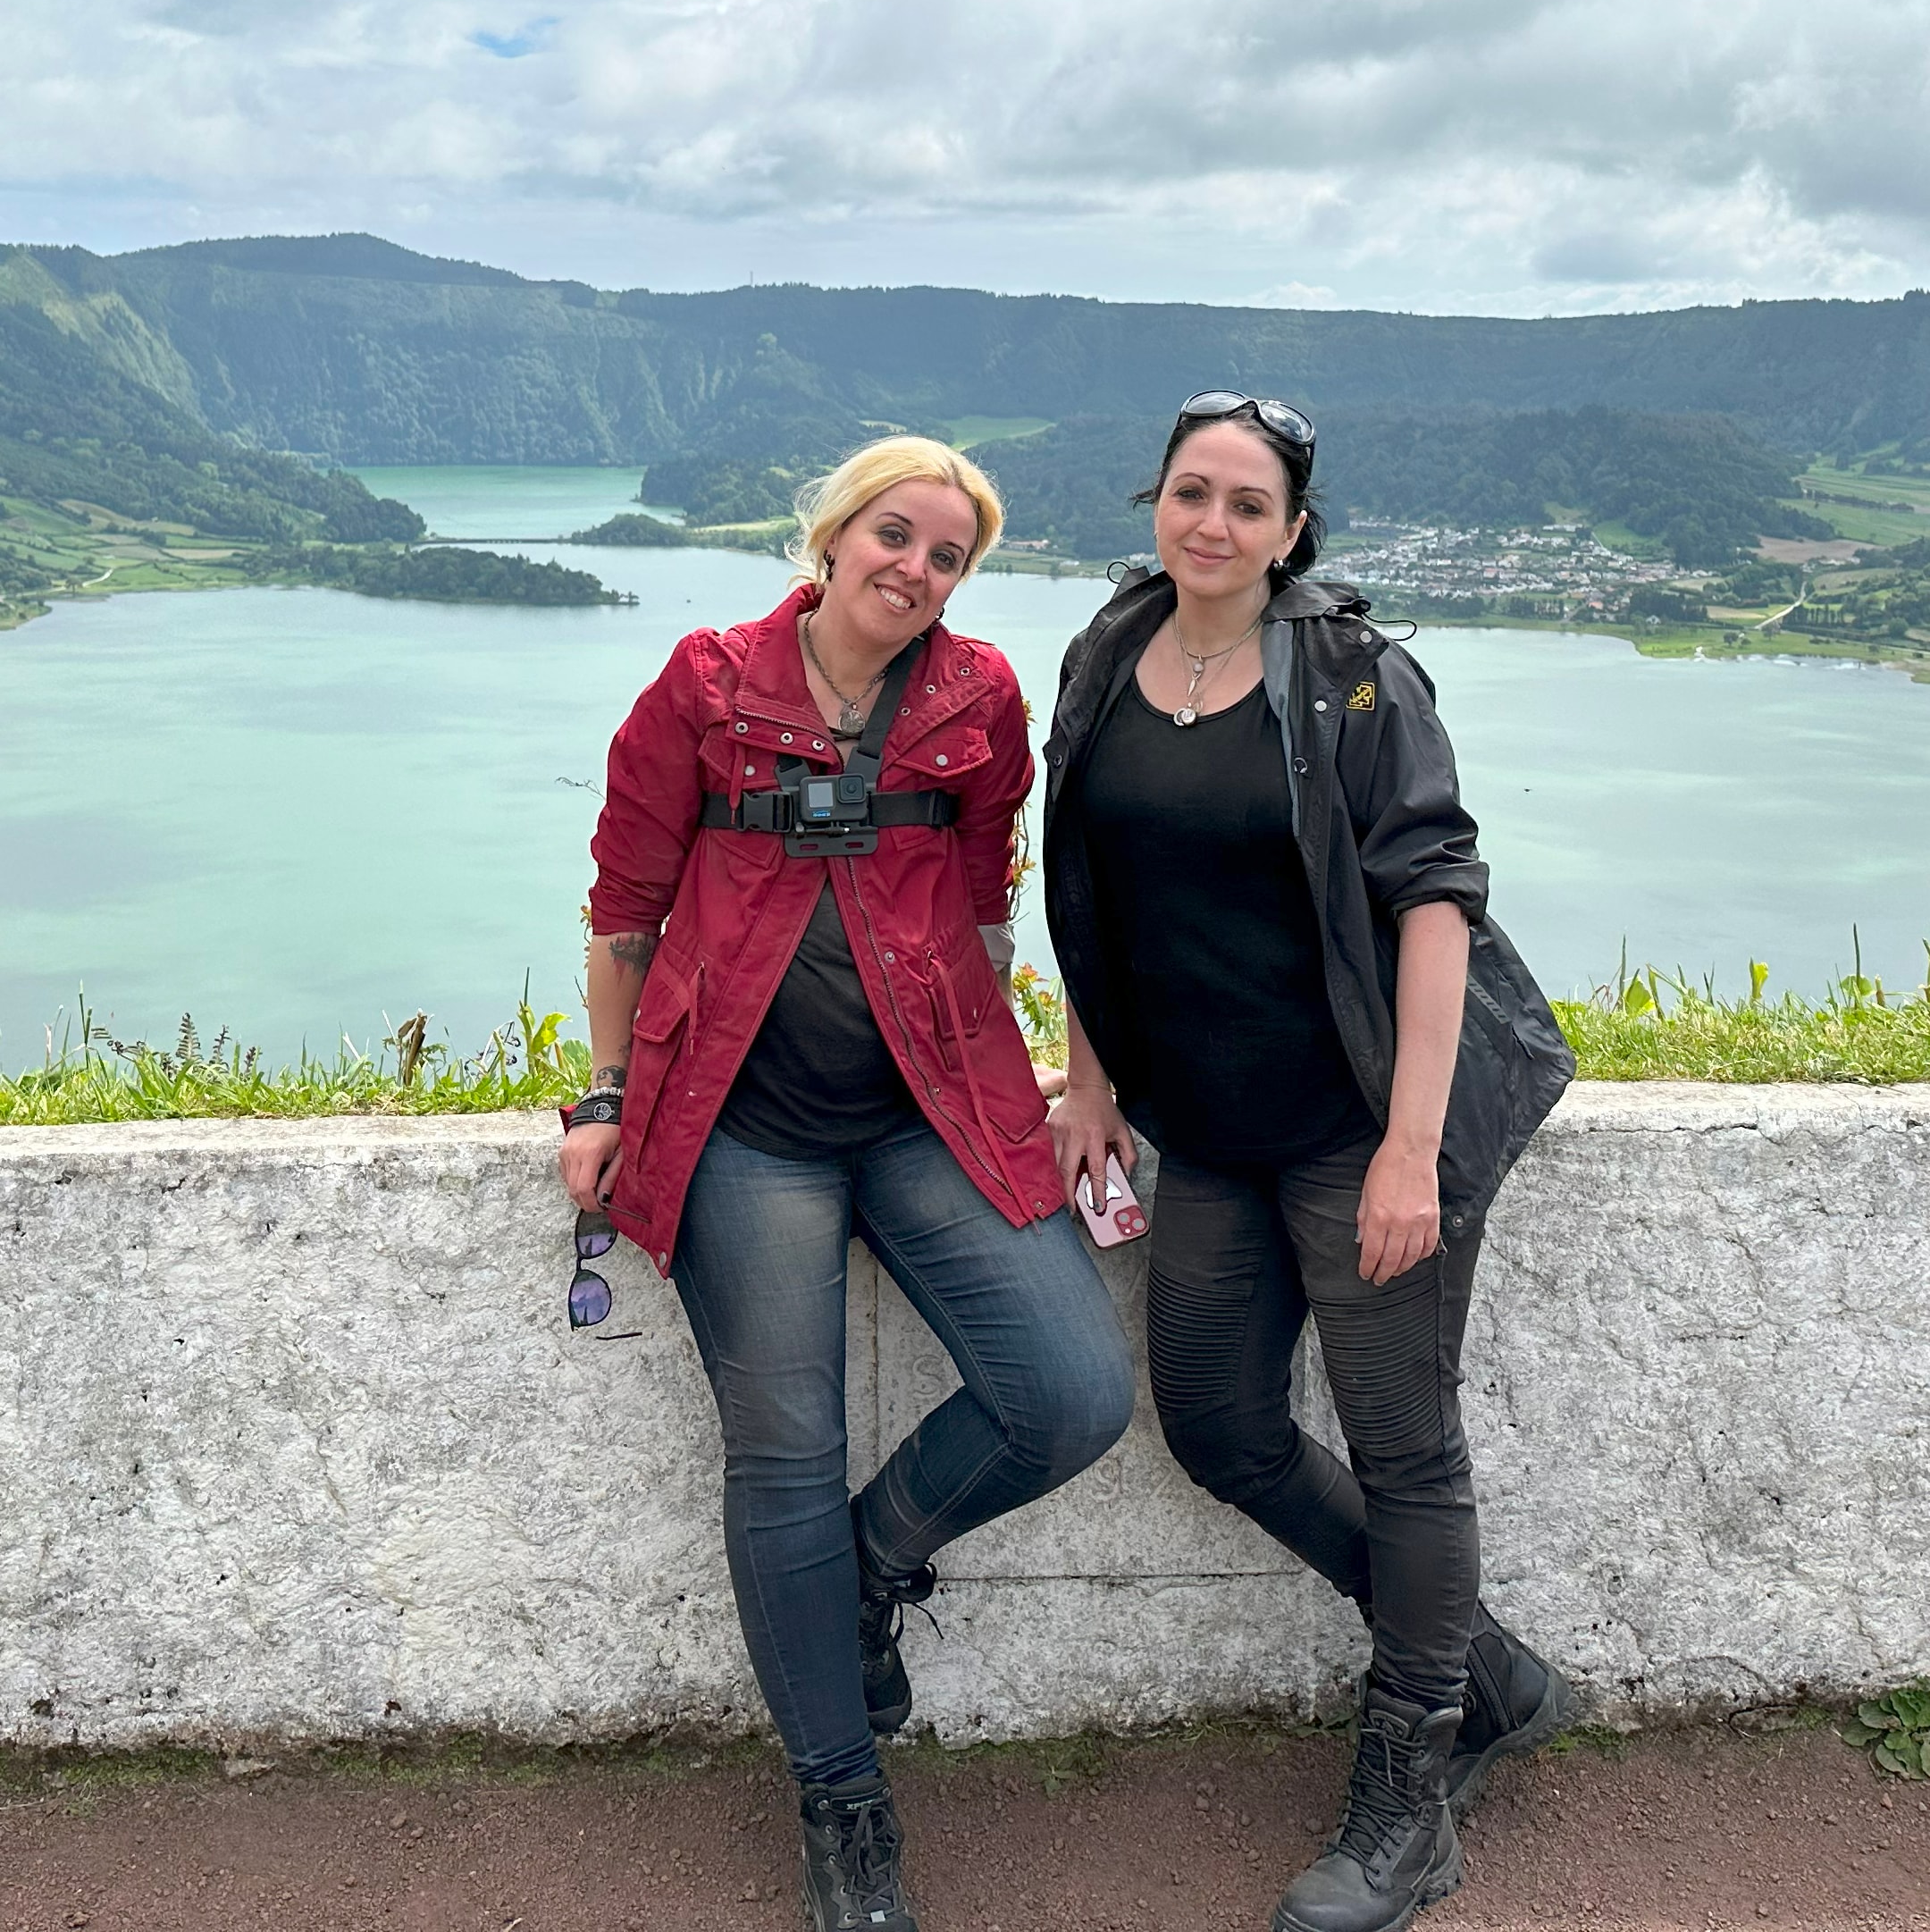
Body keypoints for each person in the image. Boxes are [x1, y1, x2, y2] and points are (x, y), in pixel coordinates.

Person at [559, 434, 1135, 1932]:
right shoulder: (705, 686)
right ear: (830, 534)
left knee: (1072, 1390)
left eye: (949, 555)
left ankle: (870, 1560)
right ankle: (842, 1797)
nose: (918, 570)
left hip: (929, 1109)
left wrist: (1065, 1077)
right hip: (741, 1124)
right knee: (783, 1455)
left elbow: (995, 882)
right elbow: (625, 907)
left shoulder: (977, 700)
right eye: (896, 535)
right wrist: (609, 1097)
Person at [1042, 391, 1576, 1932]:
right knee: (1216, 1423)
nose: (1212, 523)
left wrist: (1413, 1144)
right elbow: (1095, 890)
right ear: (1154, 500)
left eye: (1246, 504)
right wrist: (1090, 1085)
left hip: (1355, 1133)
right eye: (1189, 491)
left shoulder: (1355, 678)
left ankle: (1408, 1795)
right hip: (1207, 1132)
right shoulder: (1106, 655)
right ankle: (1487, 1675)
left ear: (1290, 533)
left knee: (1409, 1451)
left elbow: (1429, 902)